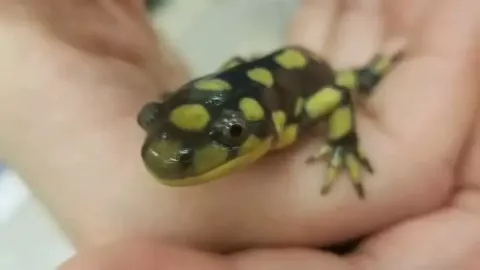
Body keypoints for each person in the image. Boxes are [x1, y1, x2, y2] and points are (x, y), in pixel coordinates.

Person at [1, 0, 479, 269]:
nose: (165, 154)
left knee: (353, 82)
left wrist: (342, 143)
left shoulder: (288, 121)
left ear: (261, 128)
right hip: (261, 83)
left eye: (232, 132)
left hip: (307, 76)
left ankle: (372, 72)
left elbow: (331, 96)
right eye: (152, 119)